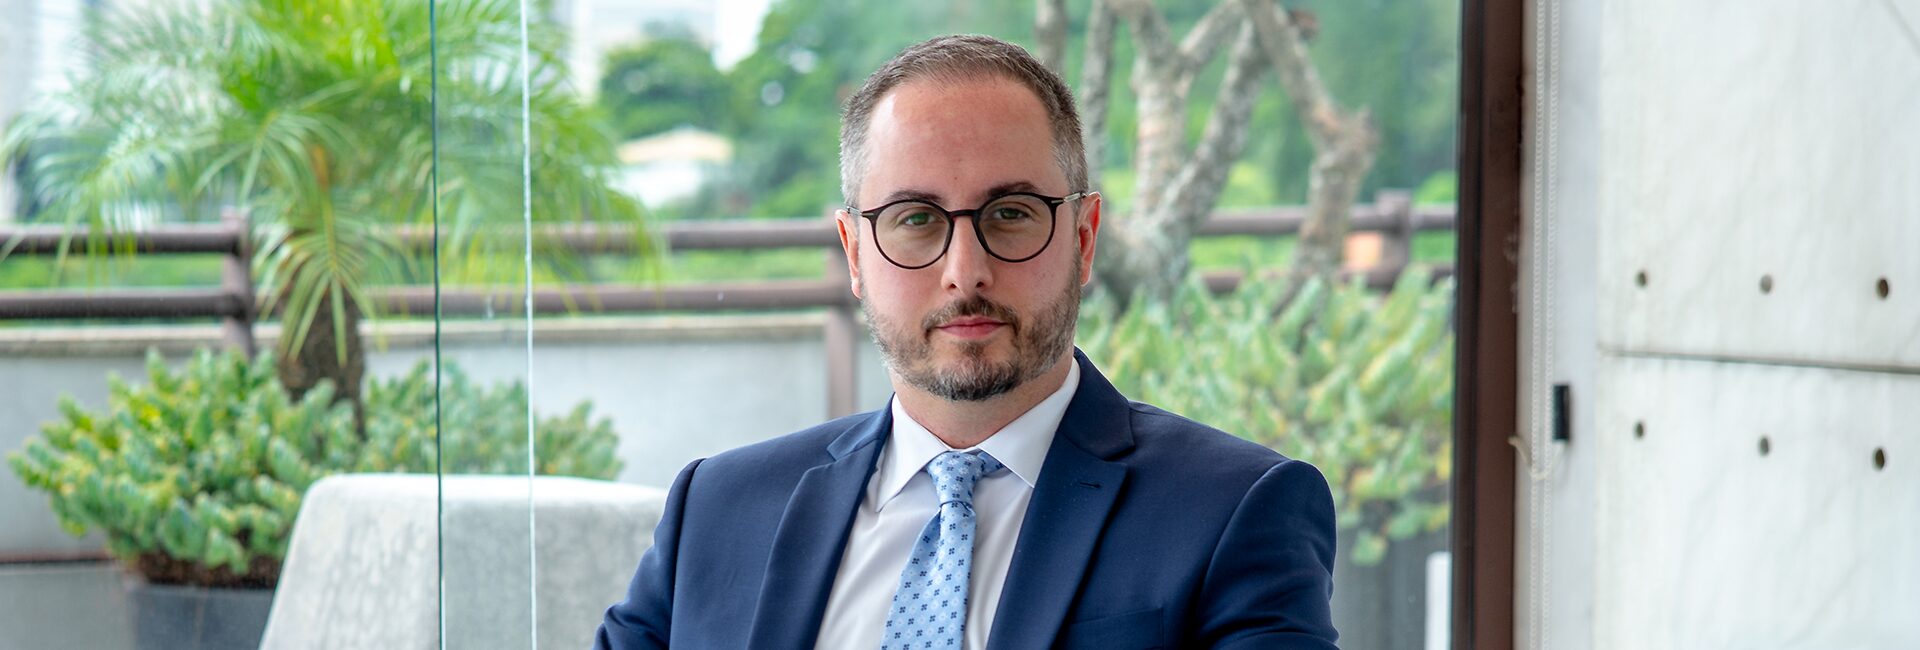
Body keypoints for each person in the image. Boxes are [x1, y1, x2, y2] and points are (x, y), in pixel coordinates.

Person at [594, 34, 1337, 650]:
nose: (964, 271)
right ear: (854, 253)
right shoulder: (715, 511)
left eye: (1010, 213)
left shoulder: (1235, 511)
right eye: (916, 219)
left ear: (1083, 239)